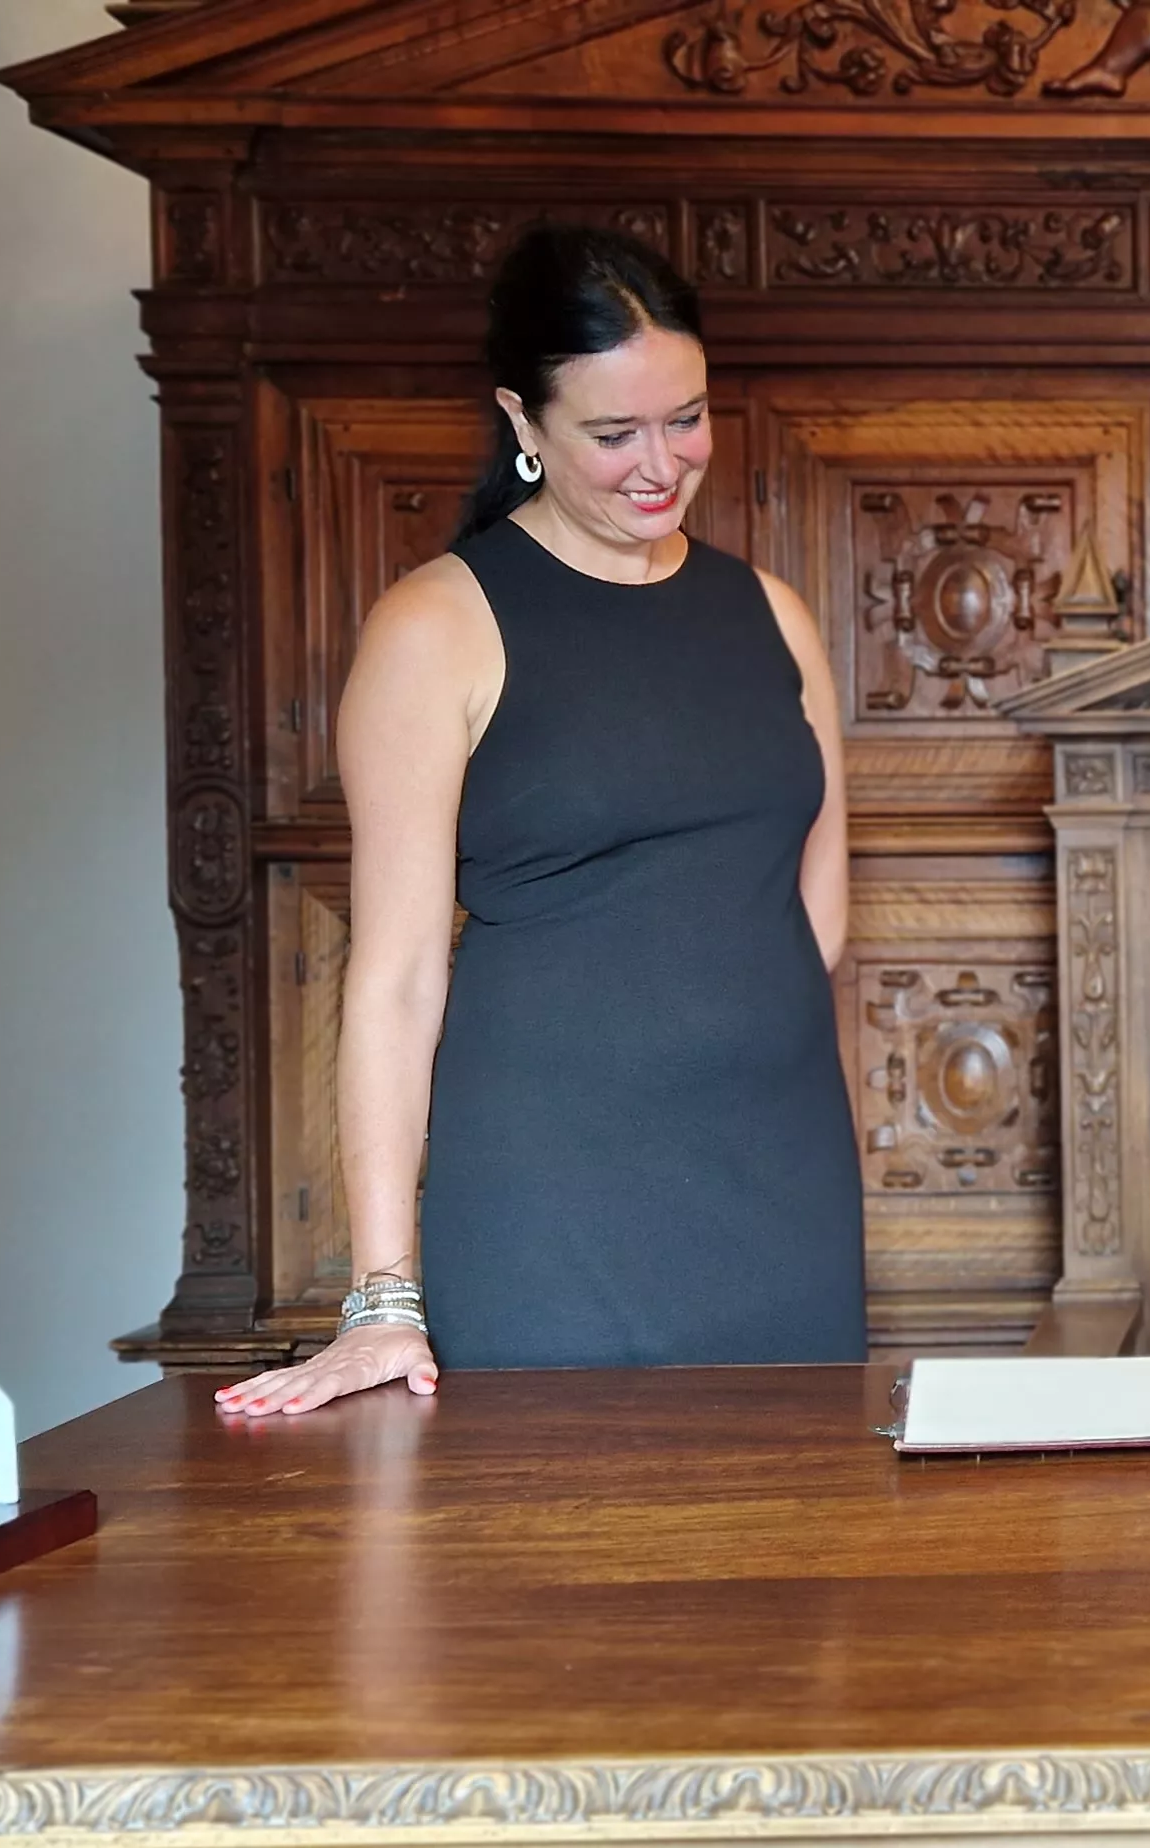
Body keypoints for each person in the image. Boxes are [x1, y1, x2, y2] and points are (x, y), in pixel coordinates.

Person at [218, 223, 864, 1416]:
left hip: (782, 1175)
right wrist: (383, 1295)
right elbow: (398, 978)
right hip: (552, 1192)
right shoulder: (437, 627)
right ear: (521, 421)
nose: (659, 464)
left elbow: (813, 907)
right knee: (558, 1565)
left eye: (687, 417)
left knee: (789, 1566)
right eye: (613, 433)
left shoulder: (771, 614)